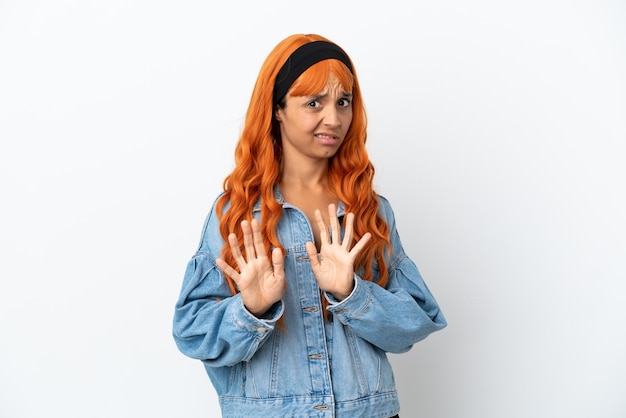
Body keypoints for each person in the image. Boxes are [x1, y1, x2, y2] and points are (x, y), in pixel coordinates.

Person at [172, 33, 447, 418]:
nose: (333, 119)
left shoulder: (369, 210)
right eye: (314, 102)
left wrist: (352, 293)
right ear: (278, 108)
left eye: (343, 102)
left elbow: (413, 324)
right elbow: (192, 334)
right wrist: (249, 308)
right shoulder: (237, 214)